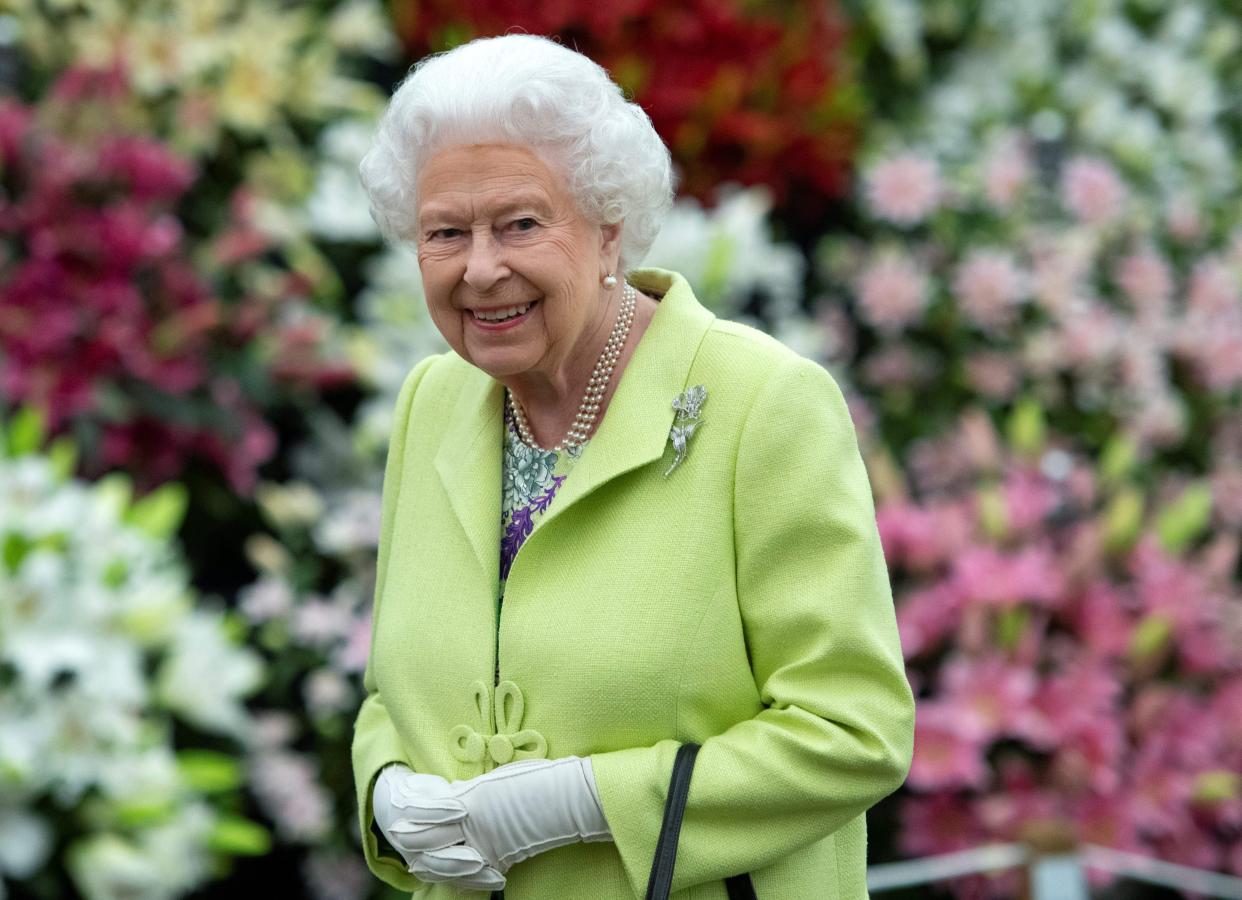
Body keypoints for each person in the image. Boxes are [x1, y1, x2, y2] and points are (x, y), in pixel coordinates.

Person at [352, 33, 915, 900]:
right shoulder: (432, 401)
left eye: (521, 223)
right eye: (444, 233)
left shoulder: (762, 403)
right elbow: (396, 694)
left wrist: (584, 802)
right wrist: (384, 787)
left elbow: (855, 728)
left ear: (609, 227)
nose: (480, 268)